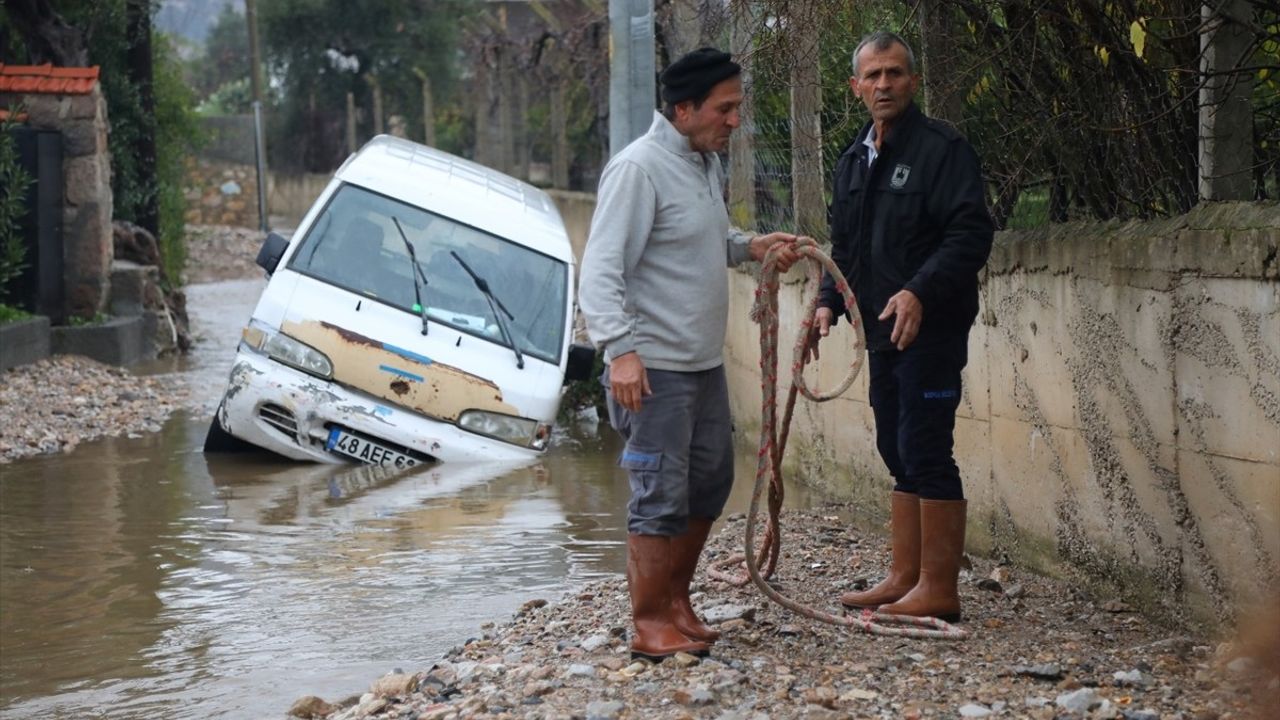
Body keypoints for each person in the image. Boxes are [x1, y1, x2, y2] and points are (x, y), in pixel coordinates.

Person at [578, 47, 800, 661]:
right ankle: (649, 622)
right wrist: (620, 351)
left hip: (701, 366)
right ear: (683, 108)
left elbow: (695, 237)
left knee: (709, 482)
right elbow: (599, 272)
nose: (735, 121)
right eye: (724, 110)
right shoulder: (638, 169)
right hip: (651, 372)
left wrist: (748, 246)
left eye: (737, 108)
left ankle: (676, 603)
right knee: (659, 491)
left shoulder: (701, 162)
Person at [808, 31, 993, 623]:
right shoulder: (851, 158)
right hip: (880, 332)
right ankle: (904, 575)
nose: (884, 84)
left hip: (931, 328)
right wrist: (826, 304)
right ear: (856, 87)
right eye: (873, 76)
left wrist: (918, 290)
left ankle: (939, 588)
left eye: (894, 73)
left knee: (926, 447)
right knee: (894, 444)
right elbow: (846, 250)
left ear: (912, 81)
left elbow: (971, 235)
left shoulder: (944, 150)